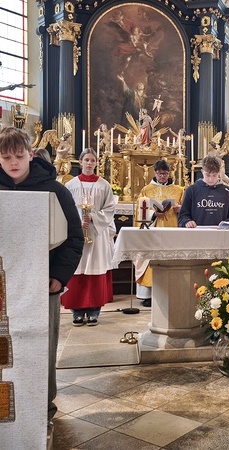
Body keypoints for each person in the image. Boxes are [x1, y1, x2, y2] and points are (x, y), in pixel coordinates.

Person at [0, 126, 84, 427]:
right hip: (2, 284)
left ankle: (42, 409)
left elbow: (74, 237)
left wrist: (59, 276)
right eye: (6, 157)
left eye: (19, 156)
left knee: (39, 345)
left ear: (31, 154)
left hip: (42, 283)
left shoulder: (55, 191)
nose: (13, 163)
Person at [61, 148, 116, 326]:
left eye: (93, 160)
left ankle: (94, 311)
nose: (89, 163)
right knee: (77, 269)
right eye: (86, 160)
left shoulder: (104, 185)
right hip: (76, 234)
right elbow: (64, 209)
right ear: (80, 162)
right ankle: (76, 312)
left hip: (96, 234)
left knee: (95, 268)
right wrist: (77, 222)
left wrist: (93, 218)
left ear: (96, 163)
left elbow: (110, 209)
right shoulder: (71, 185)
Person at [134, 160, 184, 306]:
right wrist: (154, 214)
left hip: (172, 229)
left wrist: (180, 209)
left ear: (169, 174)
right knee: (151, 259)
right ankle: (148, 295)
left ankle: (171, 292)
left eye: (165, 173)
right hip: (153, 230)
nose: (162, 176)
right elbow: (139, 211)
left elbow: (185, 209)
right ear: (155, 173)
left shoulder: (179, 190)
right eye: (160, 173)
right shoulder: (146, 190)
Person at [178, 154, 229, 227]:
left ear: (219, 173)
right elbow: (182, 216)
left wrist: (226, 224)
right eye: (207, 175)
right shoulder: (191, 190)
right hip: (197, 231)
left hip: (221, 232)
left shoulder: (227, 191)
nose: (211, 179)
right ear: (202, 171)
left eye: (214, 175)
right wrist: (187, 221)